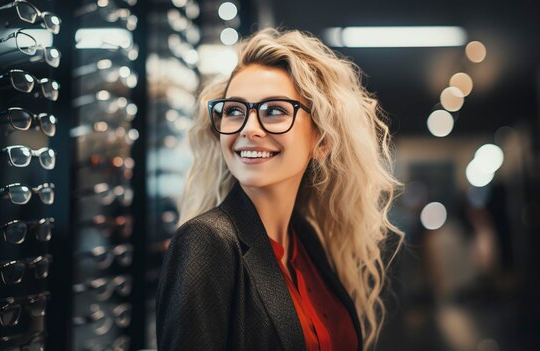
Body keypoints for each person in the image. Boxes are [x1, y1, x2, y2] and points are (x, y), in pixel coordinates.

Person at [156, 28, 404, 351]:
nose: (249, 129)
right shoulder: (207, 242)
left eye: (274, 110)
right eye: (234, 111)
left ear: (322, 140)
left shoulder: (308, 243)